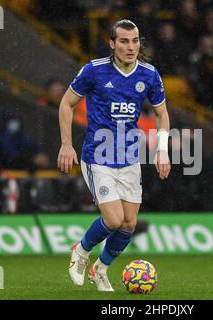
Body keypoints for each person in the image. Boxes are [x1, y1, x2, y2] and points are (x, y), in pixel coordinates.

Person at [57, 19, 171, 292]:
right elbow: (66, 103)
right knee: (113, 219)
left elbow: (162, 114)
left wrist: (163, 150)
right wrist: (66, 144)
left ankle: (100, 269)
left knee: (129, 223)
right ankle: (81, 250)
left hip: (129, 157)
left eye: (135, 41)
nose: (131, 47)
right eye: (124, 41)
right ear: (112, 44)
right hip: (97, 156)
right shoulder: (94, 71)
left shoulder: (149, 74)